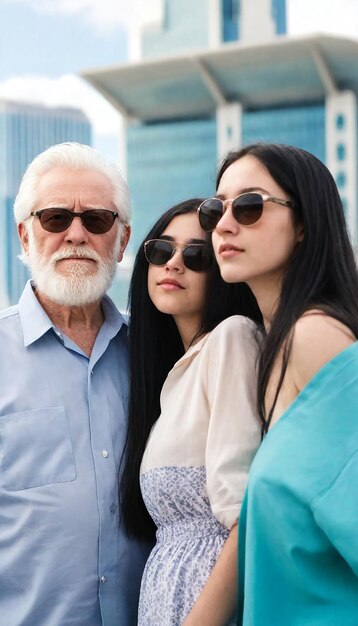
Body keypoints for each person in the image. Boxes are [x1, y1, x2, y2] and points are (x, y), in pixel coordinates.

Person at [197, 142, 358, 625]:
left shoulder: (316, 338)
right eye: (215, 209)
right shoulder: (274, 349)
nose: (224, 224)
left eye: (249, 206)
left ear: (305, 223)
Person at [0, 142, 150, 626]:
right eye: (55, 218)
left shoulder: (158, 355)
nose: (76, 234)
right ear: (24, 236)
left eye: (98, 221)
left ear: (122, 240)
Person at [121, 198, 263, 626]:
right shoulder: (171, 376)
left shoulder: (232, 339)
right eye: (161, 251)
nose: (174, 264)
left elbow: (245, 519)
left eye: (196, 256)